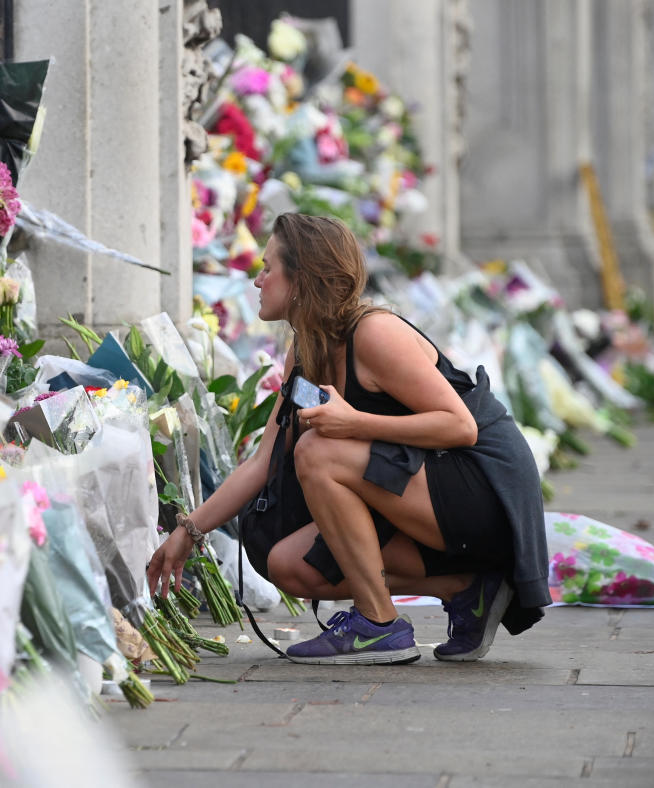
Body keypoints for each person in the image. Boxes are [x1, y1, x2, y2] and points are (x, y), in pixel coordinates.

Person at [147, 212, 549, 665]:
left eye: (267, 268)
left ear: (301, 279)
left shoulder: (374, 332)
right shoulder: (306, 350)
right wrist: (189, 532)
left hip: (484, 488)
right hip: (424, 491)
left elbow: (460, 426)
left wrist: (354, 422)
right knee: (288, 563)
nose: (257, 281)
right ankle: (466, 588)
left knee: (319, 452)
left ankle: (379, 624)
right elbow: (261, 463)